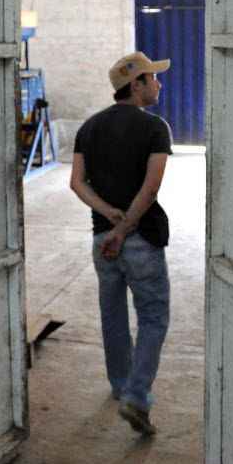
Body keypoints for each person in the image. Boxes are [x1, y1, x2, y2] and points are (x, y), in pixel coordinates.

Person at [70, 51, 173, 436]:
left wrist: (109, 218)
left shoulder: (89, 127)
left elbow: (77, 183)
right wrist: (126, 226)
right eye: (152, 77)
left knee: (112, 313)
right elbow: (151, 187)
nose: (158, 83)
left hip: (102, 241)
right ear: (136, 85)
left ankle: (120, 384)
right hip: (140, 239)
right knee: (153, 316)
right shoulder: (155, 128)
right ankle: (136, 396)